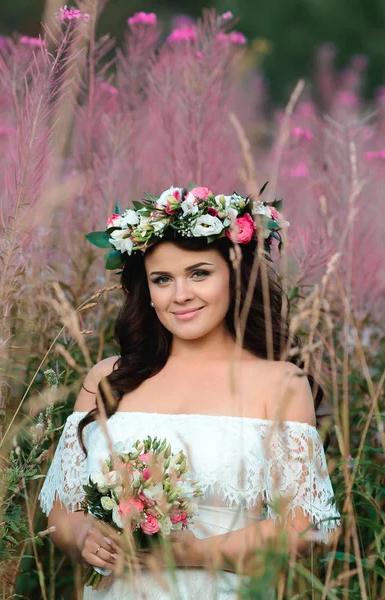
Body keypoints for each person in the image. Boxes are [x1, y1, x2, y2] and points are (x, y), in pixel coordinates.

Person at [39, 186, 341, 599]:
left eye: (199, 273)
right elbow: (62, 510)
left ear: (235, 277)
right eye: (162, 279)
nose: (180, 295)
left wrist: (194, 553)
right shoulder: (108, 378)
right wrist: (84, 535)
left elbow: (308, 527)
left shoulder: (280, 383)